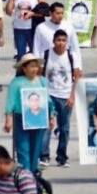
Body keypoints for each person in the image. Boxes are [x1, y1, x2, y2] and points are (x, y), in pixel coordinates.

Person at [5, 53, 55, 173]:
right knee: (23, 149)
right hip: (21, 118)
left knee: (35, 149)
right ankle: (25, 175)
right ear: (24, 68)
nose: (34, 69)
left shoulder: (42, 81)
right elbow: (10, 102)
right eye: (32, 66)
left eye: (36, 66)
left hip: (39, 119)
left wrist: (52, 116)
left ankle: (32, 174)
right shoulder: (16, 82)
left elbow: (48, 100)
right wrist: (8, 120)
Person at [40, 29, 81, 168]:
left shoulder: (71, 56)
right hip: (49, 95)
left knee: (64, 128)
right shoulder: (46, 54)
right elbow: (40, 75)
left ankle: (62, 156)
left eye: (64, 40)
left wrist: (72, 96)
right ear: (53, 41)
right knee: (47, 126)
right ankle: (44, 155)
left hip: (65, 96)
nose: (61, 43)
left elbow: (77, 77)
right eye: (58, 40)